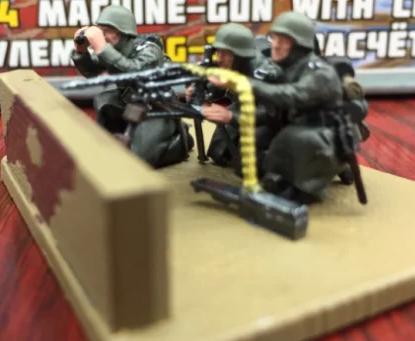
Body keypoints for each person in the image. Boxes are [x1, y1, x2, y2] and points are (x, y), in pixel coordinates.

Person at [208, 11, 361, 203]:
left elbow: (291, 95)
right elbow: (271, 112)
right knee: (252, 164)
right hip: (291, 124)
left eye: (284, 41)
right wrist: (232, 116)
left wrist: (243, 84)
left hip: (320, 131)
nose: (276, 45)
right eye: (275, 38)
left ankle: (318, 177)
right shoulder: (284, 68)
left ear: (299, 45)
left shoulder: (320, 73)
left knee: (294, 166)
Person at [70, 5, 193, 168]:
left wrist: (102, 48)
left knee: (139, 160)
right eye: (100, 31)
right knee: (104, 100)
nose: (102, 36)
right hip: (128, 101)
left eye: (106, 31)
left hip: (155, 107)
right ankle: (107, 140)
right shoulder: (113, 49)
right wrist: (81, 52)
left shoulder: (150, 49)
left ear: (122, 32)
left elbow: (135, 71)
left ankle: (179, 141)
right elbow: (91, 72)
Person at [185, 23, 284, 175]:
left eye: (226, 53)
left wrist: (232, 117)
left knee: (249, 164)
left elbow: (271, 113)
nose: (219, 58)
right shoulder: (230, 65)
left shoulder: (264, 72)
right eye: (218, 52)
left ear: (240, 55)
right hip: (243, 106)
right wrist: (200, 90)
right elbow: (217, 87)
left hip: (270, 117)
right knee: (218, 151)